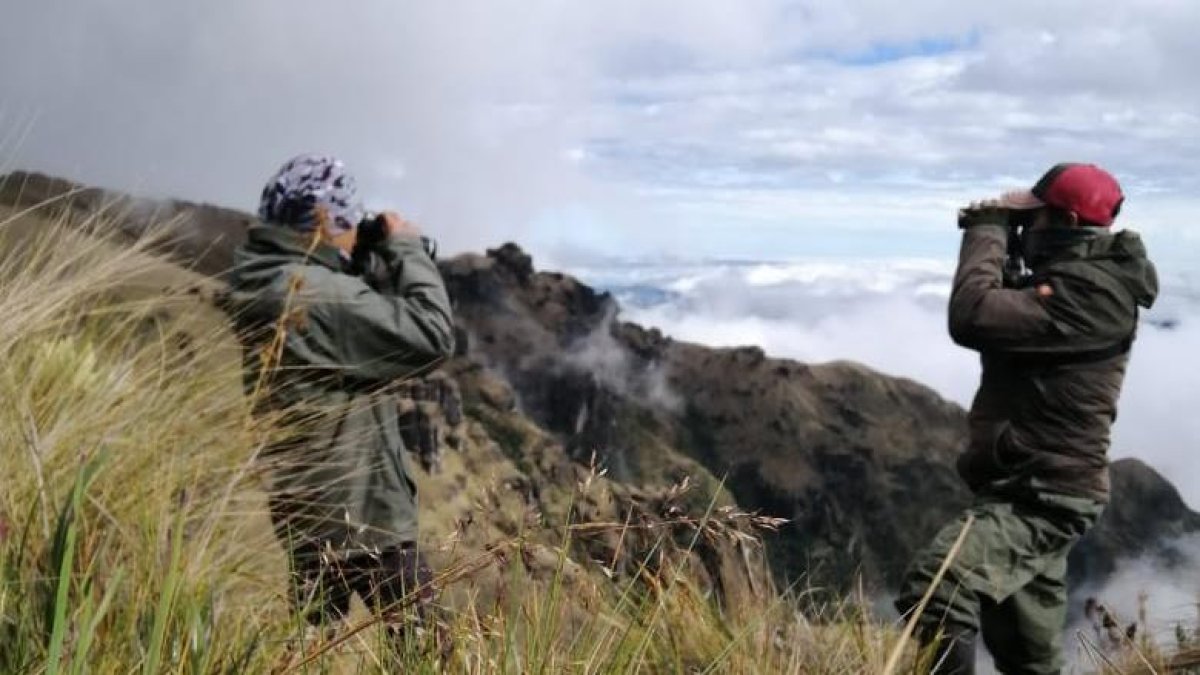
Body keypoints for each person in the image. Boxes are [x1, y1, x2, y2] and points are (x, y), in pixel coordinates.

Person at [895, 163, 1159, 674]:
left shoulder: (1093, 296)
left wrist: (987, 228)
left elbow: (971, 314)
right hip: (1025, 487)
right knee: (1027, 657)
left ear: (1060, 223)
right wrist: (1015, 243)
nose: (1023, 229)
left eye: (1029, 220)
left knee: (937, 587)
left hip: (1046, 496)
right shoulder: (1077, 279)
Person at [223, 154, 455, 650]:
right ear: (325, 222)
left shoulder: (268, 280)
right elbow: (431, 334)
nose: (353, 234)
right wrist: (408, 249)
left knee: (308, 652)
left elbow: (354, 323)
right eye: (348, 221)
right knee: (429, 655)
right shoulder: (317, 295)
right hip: (363, 518)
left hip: (305, 510)